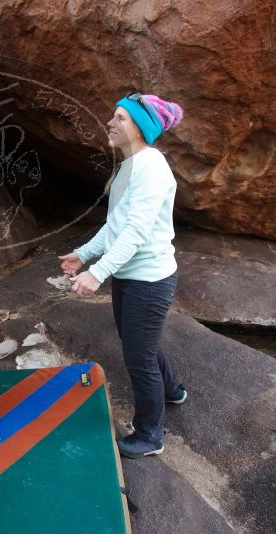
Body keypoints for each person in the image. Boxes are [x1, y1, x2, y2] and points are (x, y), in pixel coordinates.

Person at [58, 91, 186, 459]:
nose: (111, 122)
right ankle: (173, 390)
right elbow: (115, 225)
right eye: (113, 115)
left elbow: (136, 231)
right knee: (141, 342)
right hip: (131, 276)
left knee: (138, 356)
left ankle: (150, 436)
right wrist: (83, 255)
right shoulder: (129, 164)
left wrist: (97, 273)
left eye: (121, 117)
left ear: (141, 127)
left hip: (150, 278)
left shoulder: (152, 167)